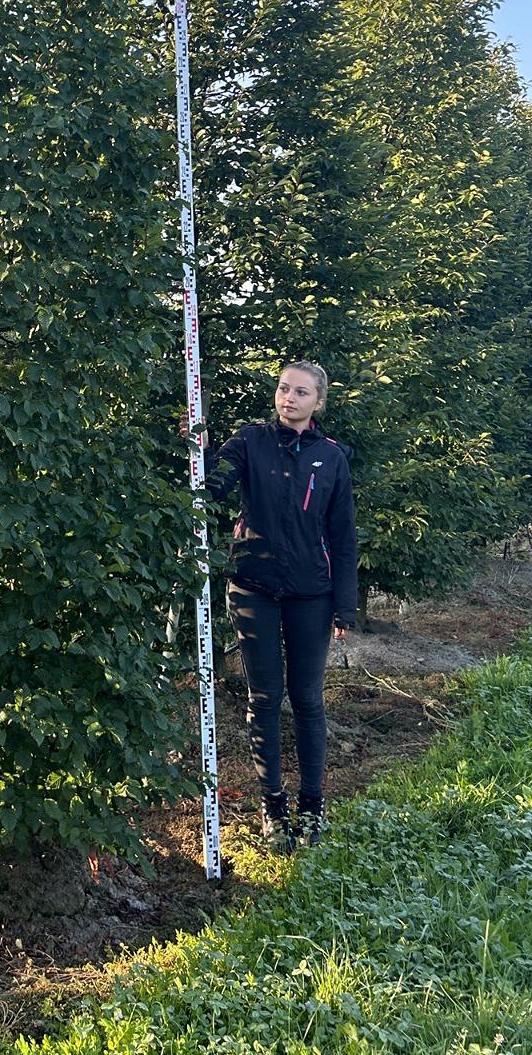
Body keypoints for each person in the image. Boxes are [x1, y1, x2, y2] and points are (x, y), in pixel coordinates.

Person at [181, 361, 357, 849]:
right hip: (253, 587)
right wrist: (200, 445)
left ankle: (311, 809)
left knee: (306, 700)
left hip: (311, 595)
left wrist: (345, 607)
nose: (289, 398)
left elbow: (343, 537)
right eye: (283, 389)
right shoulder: (251, 441)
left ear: (318, 403)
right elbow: (212, 487)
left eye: (301, 392)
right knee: (264, 700)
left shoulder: (331, 458)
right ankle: (272, 808)